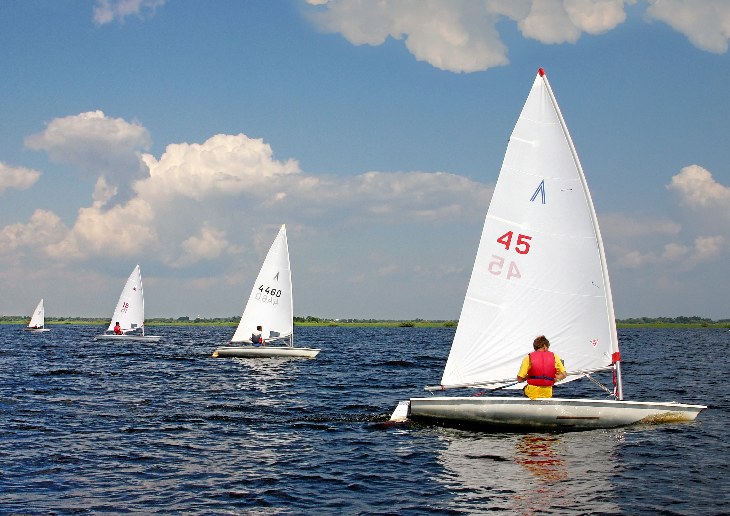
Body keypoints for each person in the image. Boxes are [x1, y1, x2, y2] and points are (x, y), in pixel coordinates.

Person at [516, 335, 567, 400]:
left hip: (532, 393)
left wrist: (527, 377)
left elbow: (519, 379)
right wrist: (554, 379)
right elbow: (564, 374)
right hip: (547, 393)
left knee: (525, 389)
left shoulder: (528, 357)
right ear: (545, 346)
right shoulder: (555, 356)